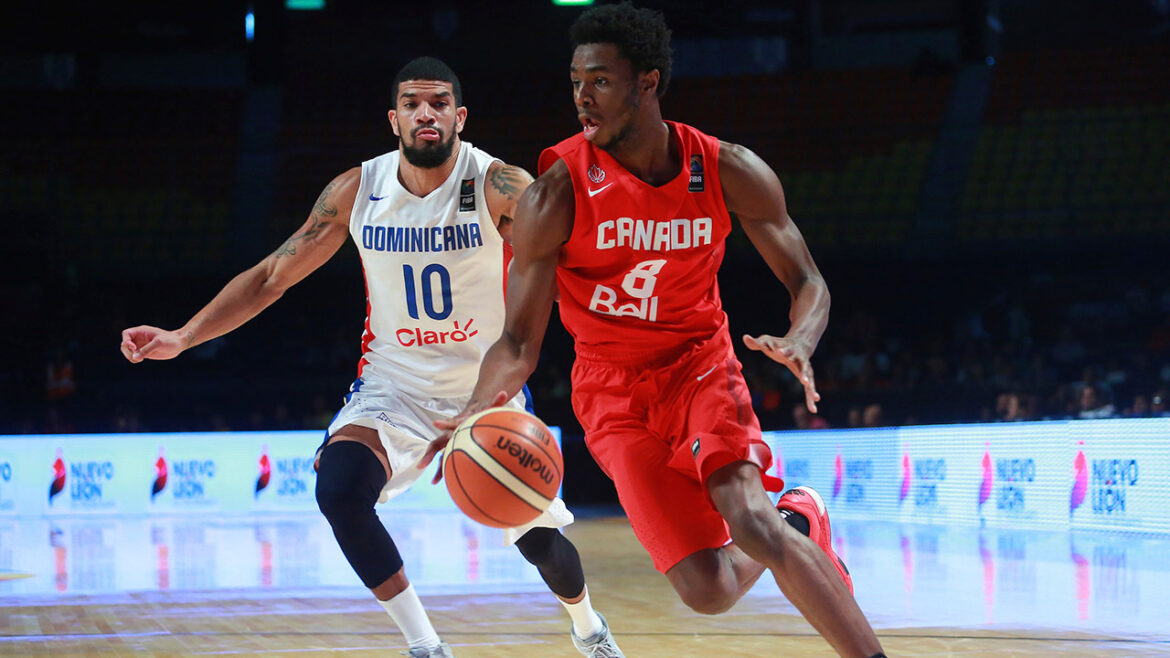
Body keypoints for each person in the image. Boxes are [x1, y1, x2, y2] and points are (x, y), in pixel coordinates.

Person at [421, 5, 886, 657]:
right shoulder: (554, 196)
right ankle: (802, 514)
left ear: (648, 82)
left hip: (701, 367)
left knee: (749, 523)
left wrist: (799, 340)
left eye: (601, 81)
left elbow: (809, 280)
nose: (583, 97)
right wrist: (472, 410)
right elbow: (520, 344)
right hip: (612, 396)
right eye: (576, 81)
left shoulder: (726, 169)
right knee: (708, 590)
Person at [120, 57, 623, 658]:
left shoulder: (495, 185)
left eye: (438, 103)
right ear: (394, 119)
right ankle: (426, 645)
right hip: (393, 386)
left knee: (540, 544)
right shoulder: (358, 189)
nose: (425, 113)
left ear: (460, 117)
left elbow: (571, 251)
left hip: (487, 386)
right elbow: (274, 276)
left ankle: (589, 629)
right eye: (412, 103)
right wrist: (184, 335)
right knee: (337, 489)